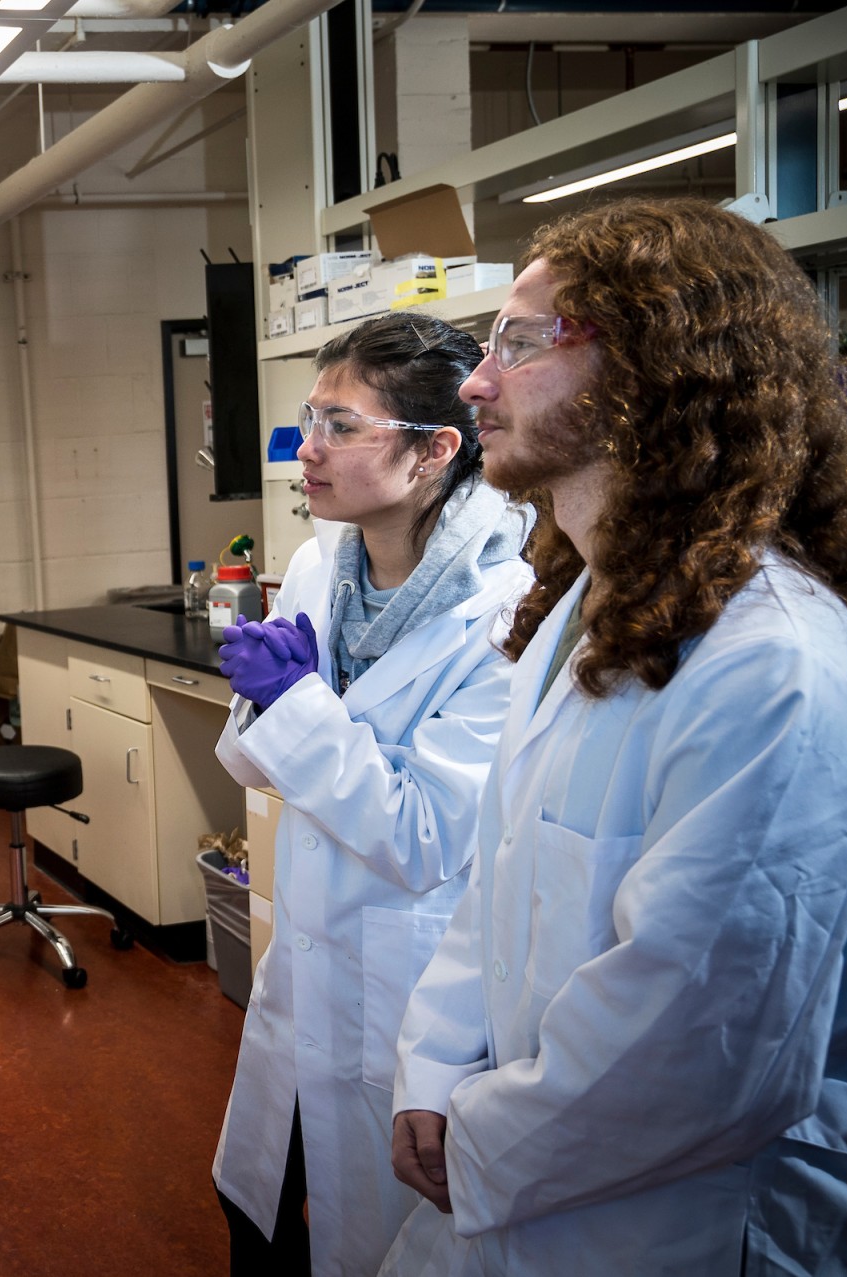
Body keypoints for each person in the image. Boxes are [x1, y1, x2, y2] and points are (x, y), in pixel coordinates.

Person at [384, 197, 847, 1275]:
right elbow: (498, 886)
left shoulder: (774, 669)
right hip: (535, 1172)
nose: (477, 382)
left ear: (661, 366)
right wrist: (431, 1073)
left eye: (521, 344)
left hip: (695, 1220)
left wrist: (478, 1136)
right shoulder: (584, 611)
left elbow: (697, 1046)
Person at [210, 311, 534, 1276]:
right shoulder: (318, 564)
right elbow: (250, 765)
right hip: (301, 977)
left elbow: (425, 835)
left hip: (406, 988)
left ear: (435, 450)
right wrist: (273, 707)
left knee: (370, 1243)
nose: (306, 449)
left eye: (341, 425)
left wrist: (302, 707)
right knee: (255, 1219)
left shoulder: (509, 609)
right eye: (311, 418)